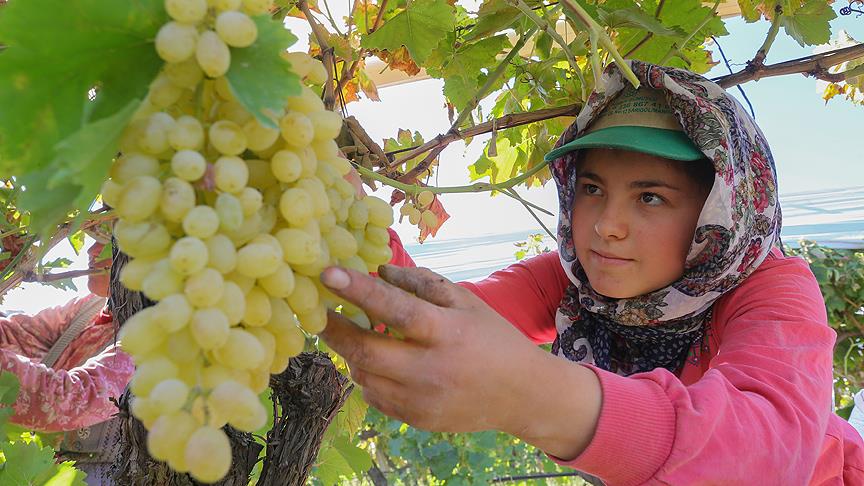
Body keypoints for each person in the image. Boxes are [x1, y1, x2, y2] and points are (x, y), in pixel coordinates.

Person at [318, 61, 864, 484]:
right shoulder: (571, 282)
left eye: (650, 197)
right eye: (592, 188)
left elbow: (769, 454)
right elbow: (430, 322)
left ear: (717, 213)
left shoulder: (772, 286)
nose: (606, 225)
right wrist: (347, 223)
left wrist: (532, 395)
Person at [0, 241, 132, 433]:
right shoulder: (91, 308)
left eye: (108, 241)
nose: (91, 250)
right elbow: (16, 336)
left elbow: (65, 401)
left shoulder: (153, 340)